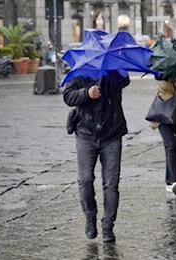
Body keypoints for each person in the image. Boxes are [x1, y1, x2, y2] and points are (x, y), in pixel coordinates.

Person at [63, 71, 130, 242]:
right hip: (85, 134)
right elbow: (68, 96)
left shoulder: (114, 73)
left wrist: (116, 68)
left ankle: (108, 225)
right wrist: (87, 93)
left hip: (112, 134)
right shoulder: (79, 73)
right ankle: (90, 216)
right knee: (85, 179)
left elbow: (124, 81)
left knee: (111, 183)